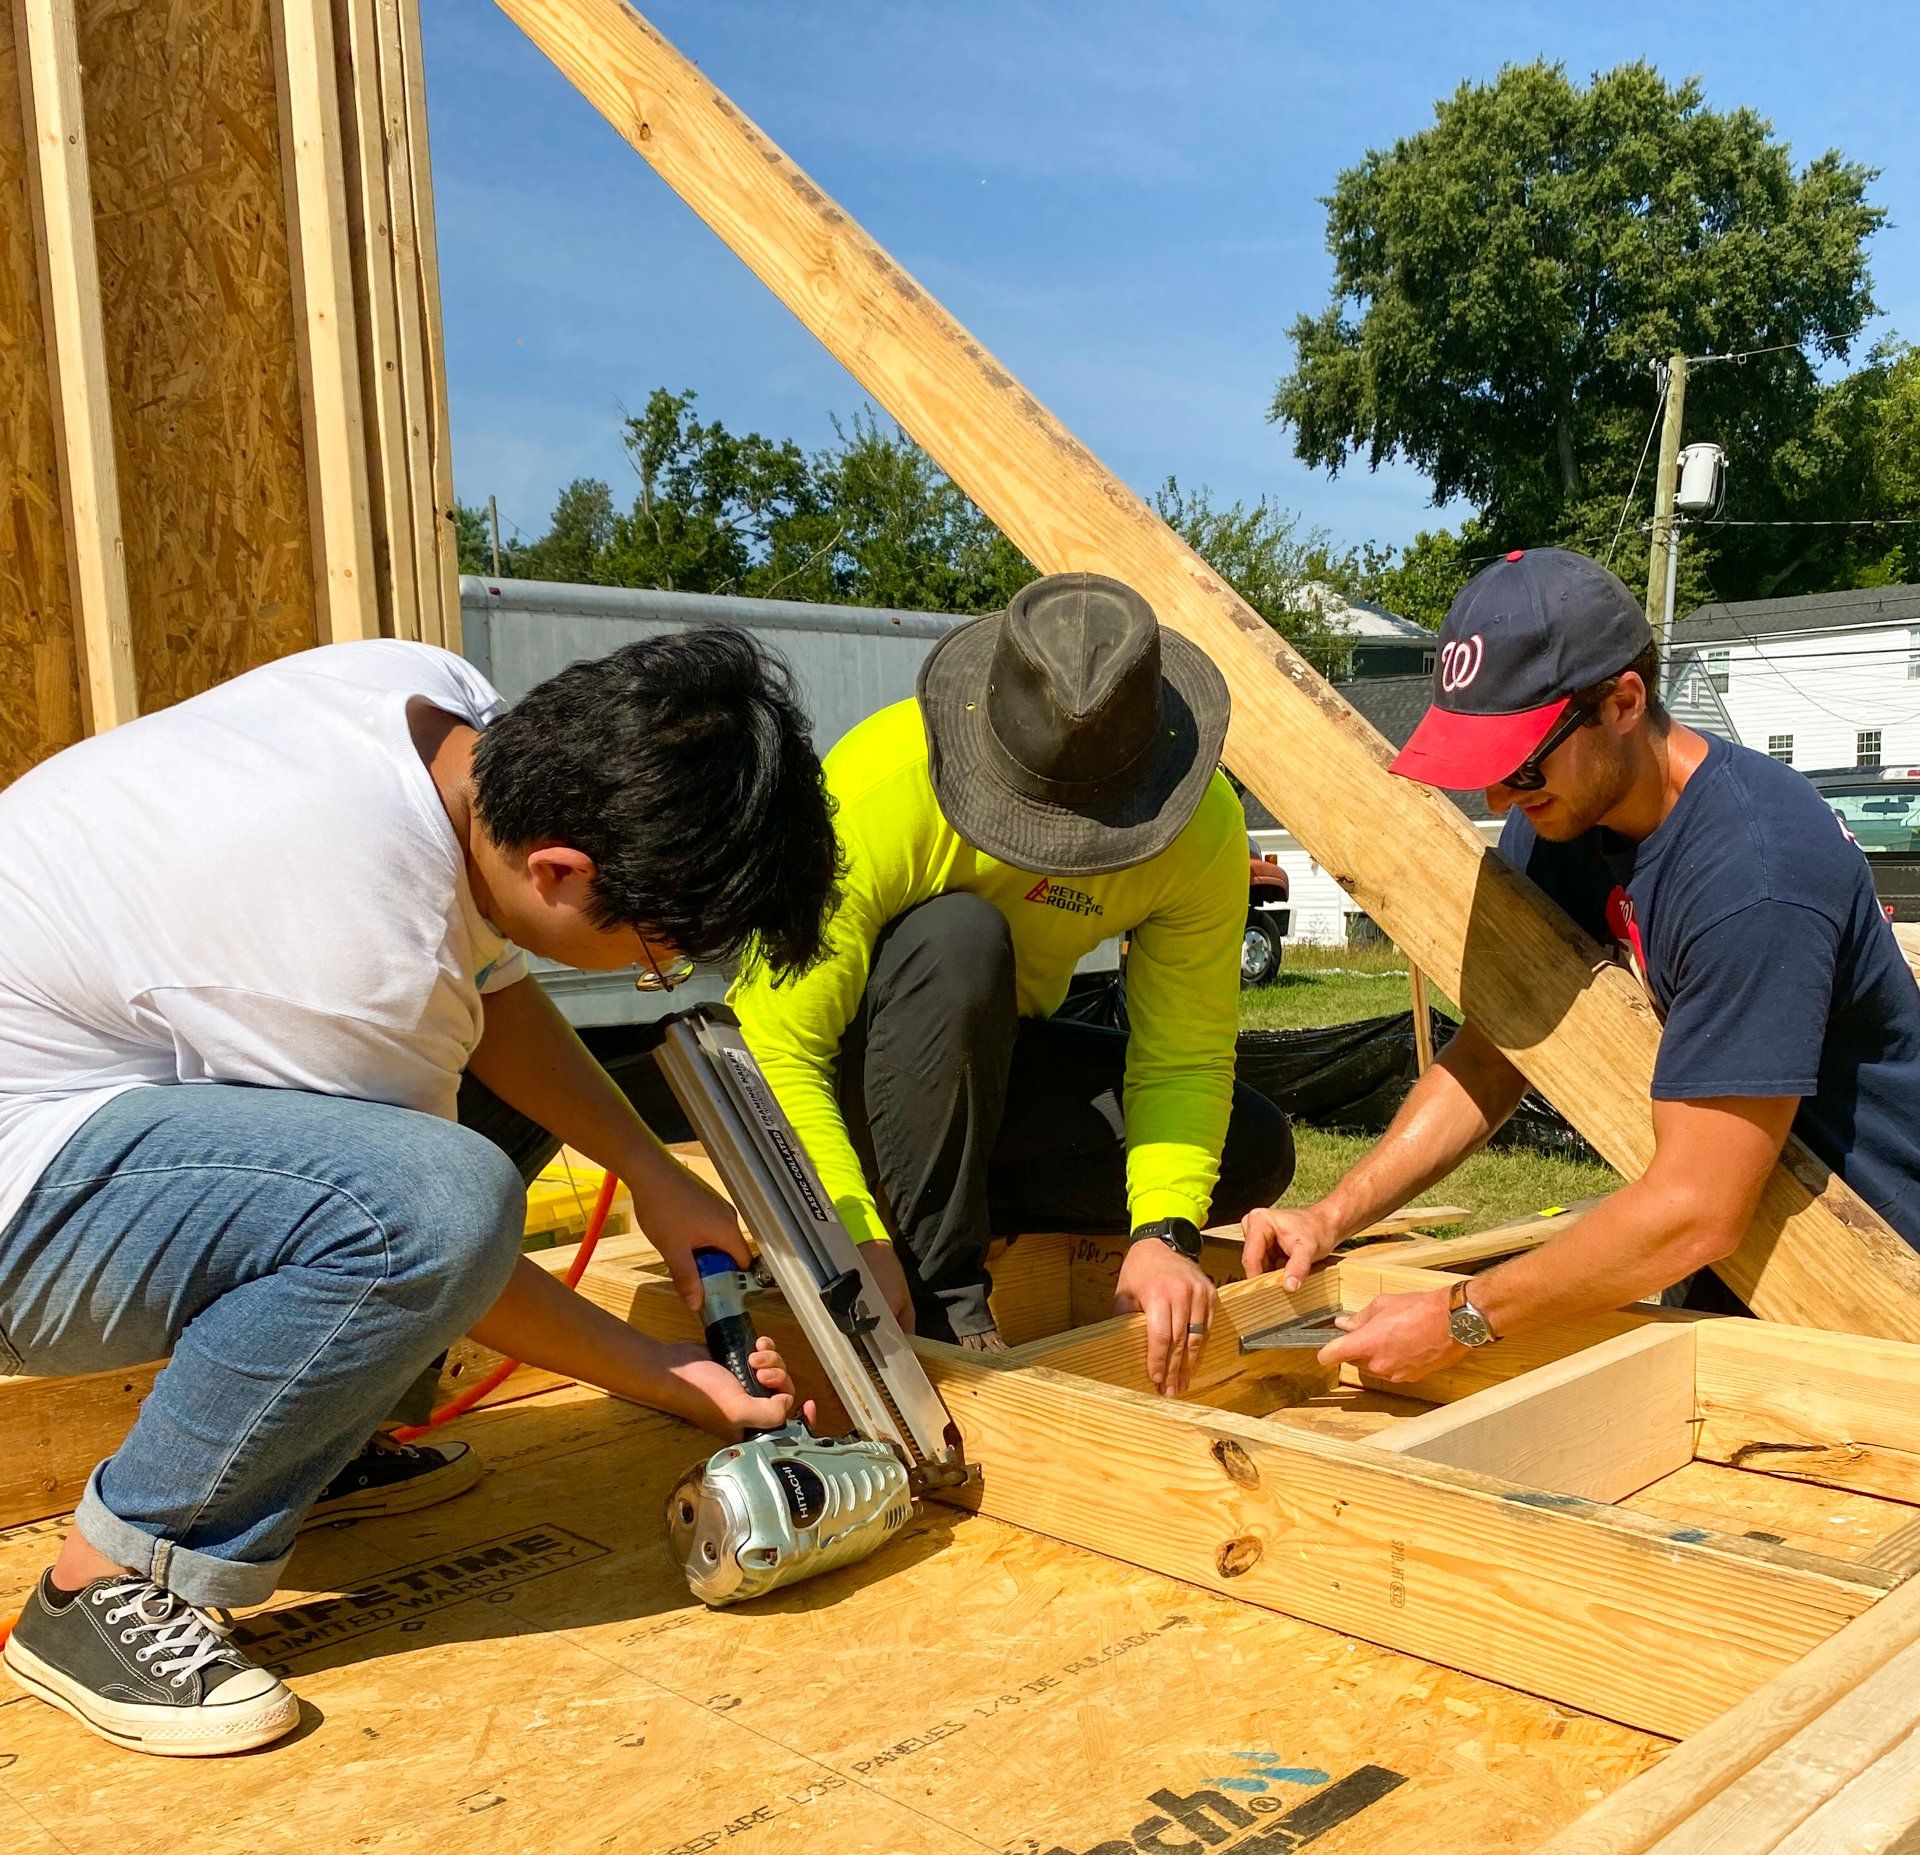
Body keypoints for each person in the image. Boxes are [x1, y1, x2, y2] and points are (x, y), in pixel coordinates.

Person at [0, 629, 837, 1756]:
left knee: (450, 1143)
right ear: (559, 872)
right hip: (23, 1200)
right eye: (656, 955)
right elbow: (435, 1246)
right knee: (436, 1196)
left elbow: (489, 989)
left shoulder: (436, 704)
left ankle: (308, 1442)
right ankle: (108, 1577)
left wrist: (652, 1172)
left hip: (74, 1089)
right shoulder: (352, 946)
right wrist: (675, 1375)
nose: (658, 977)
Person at [1241, 548, 1920, 1381]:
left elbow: (1696, 1209)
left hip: (1879, 1283)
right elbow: (1498, 1057)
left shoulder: (1755, 876)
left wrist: (1463, 1318)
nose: (1499, 799)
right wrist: (1330, 1215)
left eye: (1520, 763)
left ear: (1624, 702)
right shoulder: (1561, 819)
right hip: (1739, 1255)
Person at [732, 572, 1295, 1398]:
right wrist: (848, 1234)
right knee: (957, 940)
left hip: (978, 1086)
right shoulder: (881, 788)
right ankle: (943, 1289)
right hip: (857, 1086)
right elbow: (778, 1047)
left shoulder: (1201, 831)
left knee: (1254, 1147)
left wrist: (1166, 1233)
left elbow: (1185, 1055)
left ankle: (942, 1209)